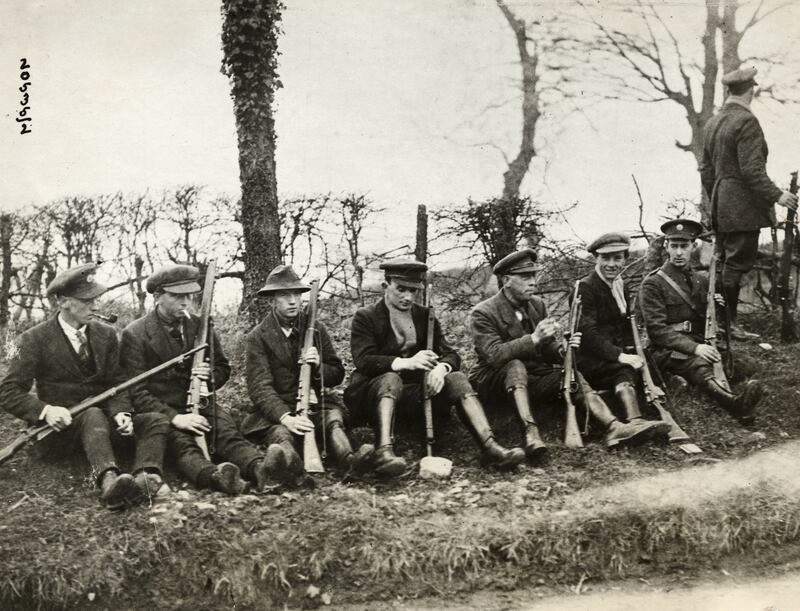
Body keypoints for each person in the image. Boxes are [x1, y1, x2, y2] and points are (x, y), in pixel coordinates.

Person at [0, 263, 169, 509]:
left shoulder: (106, 335)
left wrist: (121, 412)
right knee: (91, 414)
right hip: (59, 433)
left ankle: (146, 476)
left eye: (97, 299)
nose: (96, 306)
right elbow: (8, 391)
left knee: (155, 419)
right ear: (63, 302)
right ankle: (109, 481)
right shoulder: (32, 340)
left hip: (101, 428)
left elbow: (117, 382)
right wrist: (46, 411)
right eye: (87, 300)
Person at [344, 259, 525, 477]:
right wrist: (406, 363)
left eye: (413, 290)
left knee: (457, 378)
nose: (408, 297)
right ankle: (384, 451)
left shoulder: (424, 316)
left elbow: (450, 354)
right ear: (385, 286)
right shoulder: (366, 316)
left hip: (412, 396)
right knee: (391, 378)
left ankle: (490, 447)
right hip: (373, 397)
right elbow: (363, 360)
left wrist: (441, 368)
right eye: (400, 289)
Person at [469, 249, 661, 453]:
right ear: (506, 280)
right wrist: (534, 338)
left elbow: (547, 347)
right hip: (495, 382)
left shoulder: (536, 304)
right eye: (525, 277)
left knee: (572, 376)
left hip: (533, 377)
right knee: (515, 366)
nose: (533, 281)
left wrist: (564, 350)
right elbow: (493, 355)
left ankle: (613, 427)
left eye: (534, 275)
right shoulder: (483, 311)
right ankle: (530, 434)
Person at [120, 264, 272, 495]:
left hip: (202, 402)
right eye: (177, 296)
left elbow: (222, 368)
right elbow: (137, 392)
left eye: (190, 296)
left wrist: (208, 377)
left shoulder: (200, 325)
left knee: (227, 434)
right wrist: (176, 418)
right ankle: (216, 478)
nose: (185, 302)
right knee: (183, 444)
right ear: (158, 296)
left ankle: (263, 469)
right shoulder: (136, 333)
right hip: (164, 410)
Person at [243, 264, 373, 477]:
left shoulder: (316, 328)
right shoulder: (257, 337)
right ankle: (290, 467)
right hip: (280, 408)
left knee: (333, 420)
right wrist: (286, 417)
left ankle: (350, 461)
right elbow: (259, 387)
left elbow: (337, 374)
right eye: (285, 295)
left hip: (316, 404)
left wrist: (318, 365)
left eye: (296, 294)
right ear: (271, 300)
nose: (293, 301)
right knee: (280, 433)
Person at [699, 65, 798, 338]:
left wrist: (718, 198)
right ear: (750, 90)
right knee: (737, 264)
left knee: (726, 262)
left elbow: (706, 171)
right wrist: (779, 195)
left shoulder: (713, 122)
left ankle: (720, 320)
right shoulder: (746, 122)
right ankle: (727, 324)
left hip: (721, 203)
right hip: (741, 206)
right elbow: (752, 170)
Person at [639, 219, 763, 424]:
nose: (679, 253)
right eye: (674, 246)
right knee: (699, 363)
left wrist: (718, 307)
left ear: (693, 247)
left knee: (744, 364)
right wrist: (695, 348)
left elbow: (708, 320)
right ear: (666, 247)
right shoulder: (653, 283)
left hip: (698, 341)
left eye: (684, 246)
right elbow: (657, 330)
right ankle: (734, 404)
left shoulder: (701, 280)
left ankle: (685, 380)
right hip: (667, 349)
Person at [575, 233, 670, 441]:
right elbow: (587, 335)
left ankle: (654, 397)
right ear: (596, 259)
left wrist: (634, 352)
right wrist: (621, 356)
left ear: (625, 259)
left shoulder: (620, 285)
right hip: (590, 359)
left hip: (613, 354)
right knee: (625, 367)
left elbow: (626, 326)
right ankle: (634, 421)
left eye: (617, 258)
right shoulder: (585, 288)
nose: (611, 264)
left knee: (649, 357)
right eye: (605, 258)